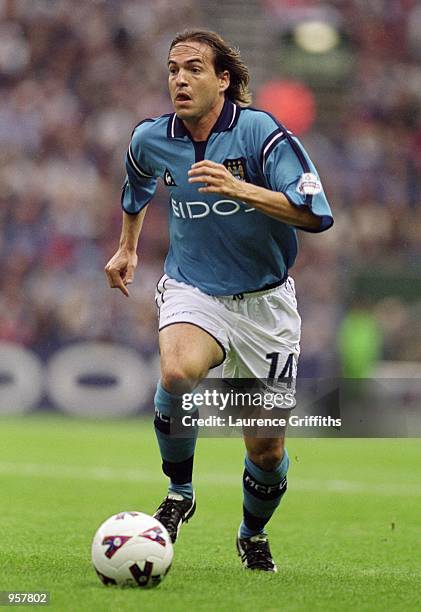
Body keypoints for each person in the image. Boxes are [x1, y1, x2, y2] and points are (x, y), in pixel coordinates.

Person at [105, 29, 333, 572]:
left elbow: (316, 212)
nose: (179, 79)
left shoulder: (261, 133)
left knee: (267, 450)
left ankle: (252, 533)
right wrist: (127, 249)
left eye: (193, 69)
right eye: (172, 69)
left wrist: (241, 188)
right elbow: (136, 186)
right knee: (178, 370)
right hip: (194, 288)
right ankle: (180, 493)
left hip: (266, 308)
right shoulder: (151, 139)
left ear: (224, 80)